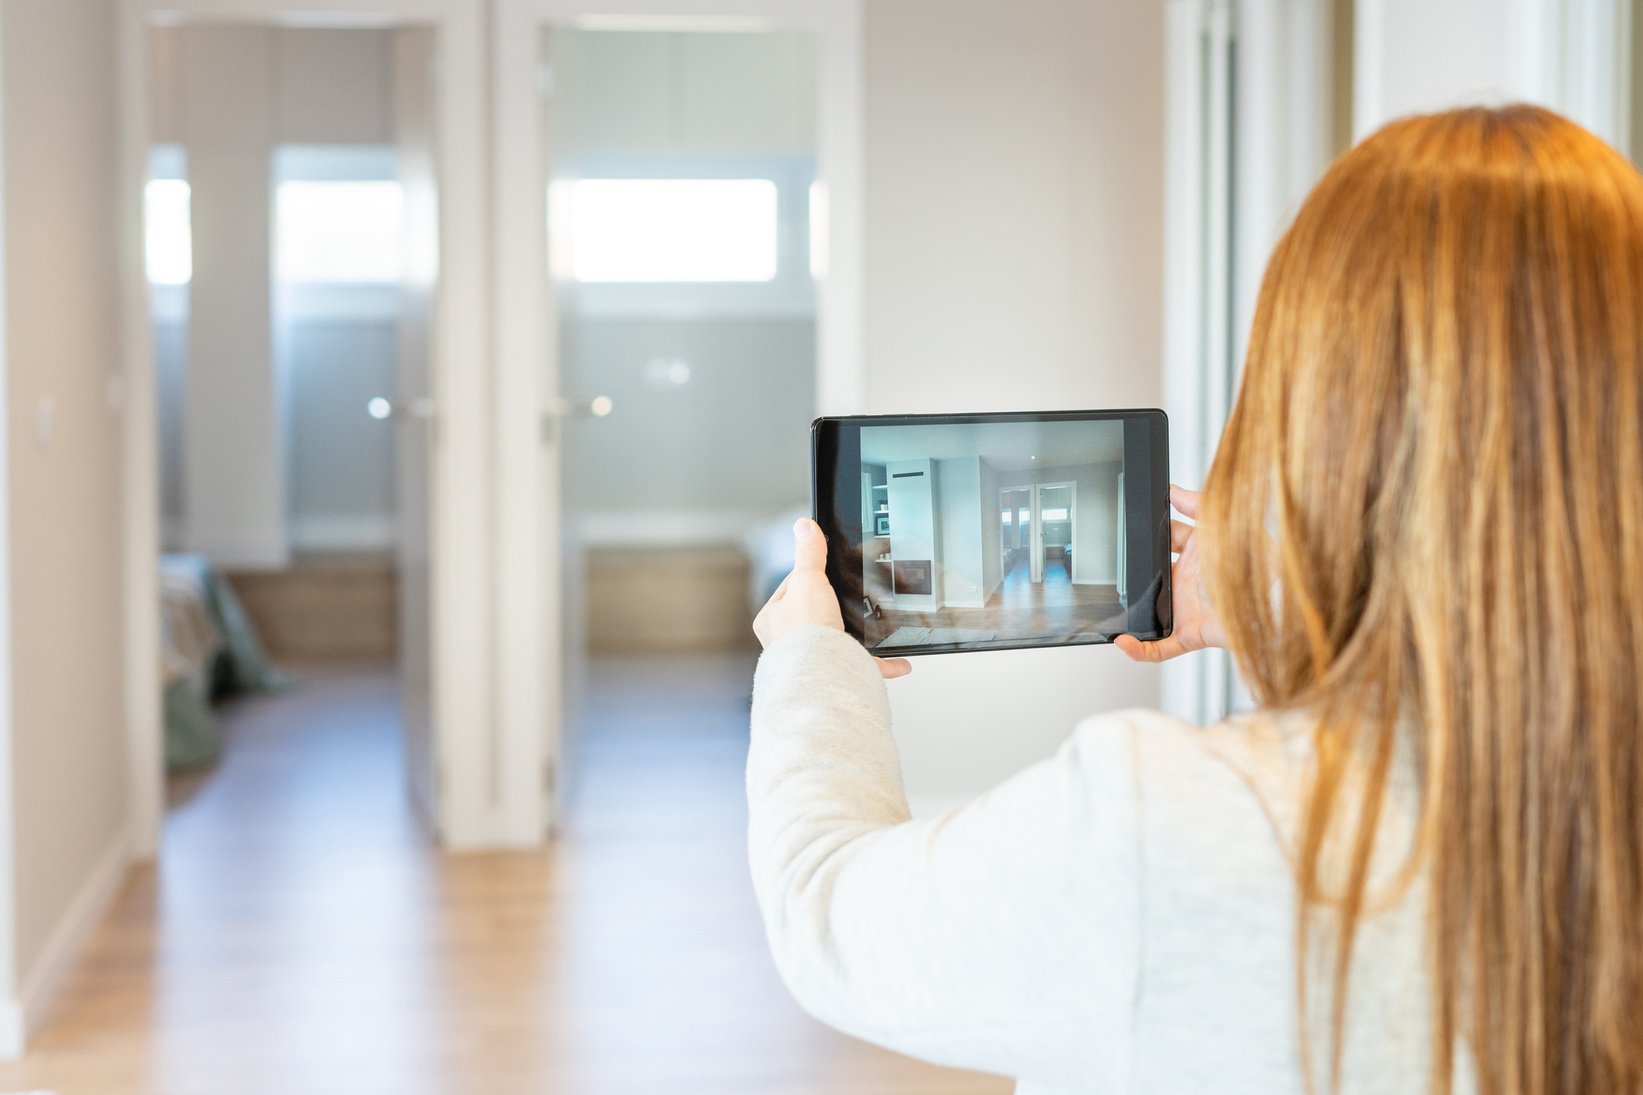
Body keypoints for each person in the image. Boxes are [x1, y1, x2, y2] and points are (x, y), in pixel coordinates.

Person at [746, 105, 1643, 1095]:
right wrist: (1287, 616)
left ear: (1313, 417)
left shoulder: (1161, 830)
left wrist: (808, 664)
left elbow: (824, 910)